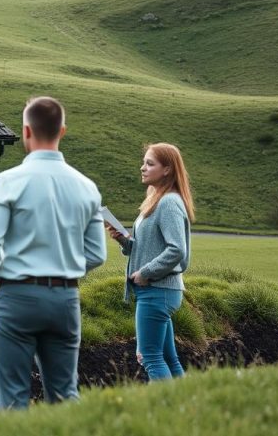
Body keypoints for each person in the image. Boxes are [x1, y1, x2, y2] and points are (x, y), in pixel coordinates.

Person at [0, 96, 107, 410]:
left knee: (14, 399)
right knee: (65, 396)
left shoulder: (9, 181)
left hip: (17, 295)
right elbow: (97, 253)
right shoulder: (86, 186)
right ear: (62, 131)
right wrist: (65, 268)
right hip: (65, 300)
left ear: (26, 131)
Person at [108, 142, 194, 381]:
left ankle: (166, 413)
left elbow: (176, 250)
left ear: (167, 169)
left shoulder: (168, 203)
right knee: (168, 358)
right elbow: (150, 247)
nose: (142, 168)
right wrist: (125, 241)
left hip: (157, 291)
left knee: (149, 357)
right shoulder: (157, 200)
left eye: (150, 163)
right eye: (143, 162)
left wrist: (145, 273)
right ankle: (189, 409)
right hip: (158, 291)